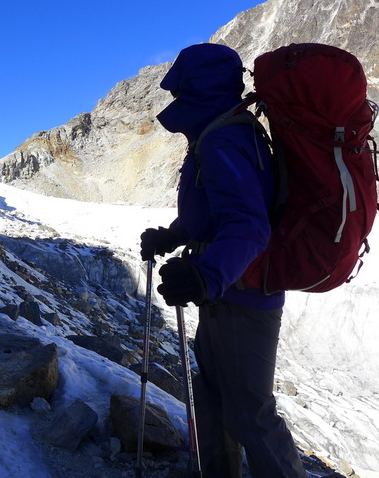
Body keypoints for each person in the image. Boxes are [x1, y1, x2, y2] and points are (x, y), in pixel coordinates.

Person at [140, 43, 307, 477]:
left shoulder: (224, 140)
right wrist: (173, 237)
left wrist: (204, 276)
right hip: (226, 291)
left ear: (199, 87)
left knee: (249, 413)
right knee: (212, 395)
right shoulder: (220, 132)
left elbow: (250, 226)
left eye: (180, 89)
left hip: (242, 294)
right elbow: (215, 213)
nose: (174, 99)